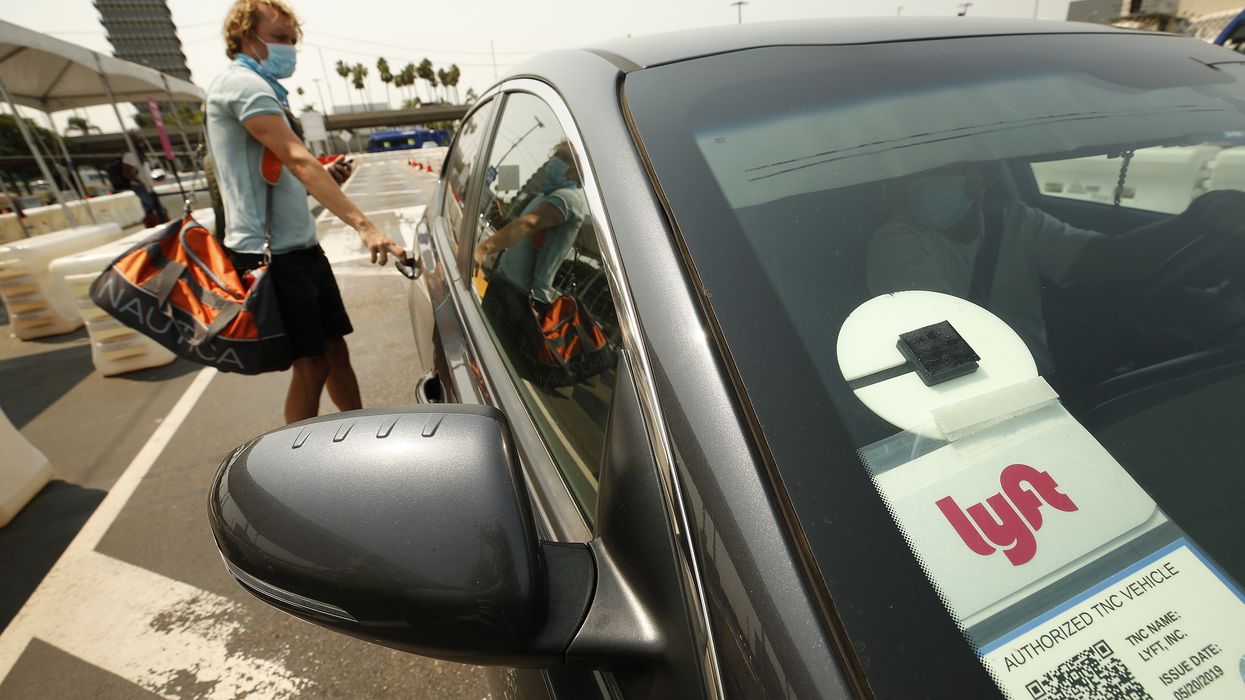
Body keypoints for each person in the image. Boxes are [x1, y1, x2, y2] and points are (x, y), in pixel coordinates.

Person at [206, 0, 405, 424]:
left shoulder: (264, 89)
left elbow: (276, 167)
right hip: (274, 257)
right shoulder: (243, 86)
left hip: (300, 247)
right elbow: (297, 159)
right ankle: (300, 466)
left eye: (293, 41)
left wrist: (327, 175)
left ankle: (360, 431)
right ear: (246, 36)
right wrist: (364, 226)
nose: (288, 50)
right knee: (311, 366)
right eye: (279, 39)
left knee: (335, 352)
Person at [867, 162, 1245, 374]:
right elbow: (937, 350)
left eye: (946, 168)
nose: (921, 179)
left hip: (1044, 386)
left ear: (986, 177)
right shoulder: (898, 242)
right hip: (987, 407)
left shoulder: (1018, 223)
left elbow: (1108, 260)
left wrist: (1194, 220)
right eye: (917, 170)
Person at [120, 149, 167, 224]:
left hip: (147, 186)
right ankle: (158, 222)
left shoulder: (141, 155)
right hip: (140, 186)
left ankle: (155, 222)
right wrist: (141, 183)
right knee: (156, 207)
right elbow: (127, 173)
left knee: (150, 207)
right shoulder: (129, 156)